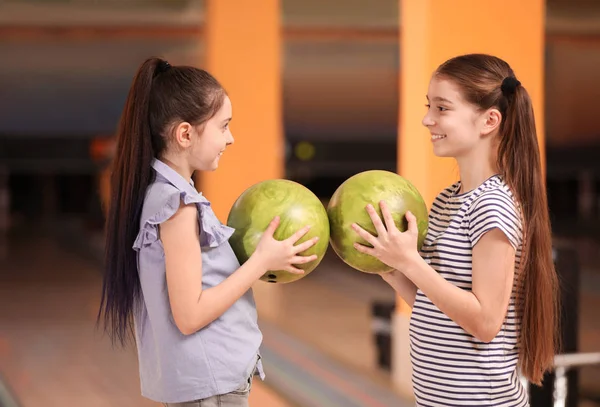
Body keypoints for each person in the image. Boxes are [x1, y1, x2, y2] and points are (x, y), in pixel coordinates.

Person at [97, 57, 319, 406]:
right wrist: (260, 262)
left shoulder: (164, 193)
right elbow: (190, 316)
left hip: (205, 380)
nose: (230, 138)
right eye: (223, 126)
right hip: (209, 386)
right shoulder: (178, 206)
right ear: (185, 134)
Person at [352, 54, 559, 406]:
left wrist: (411, 263)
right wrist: (392, 270)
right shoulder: (449, 199)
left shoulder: (492, 206)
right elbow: (439, 308)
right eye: (429, 106)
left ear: (489, 120)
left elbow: (485, 322)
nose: (427, 118)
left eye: (442, 108)